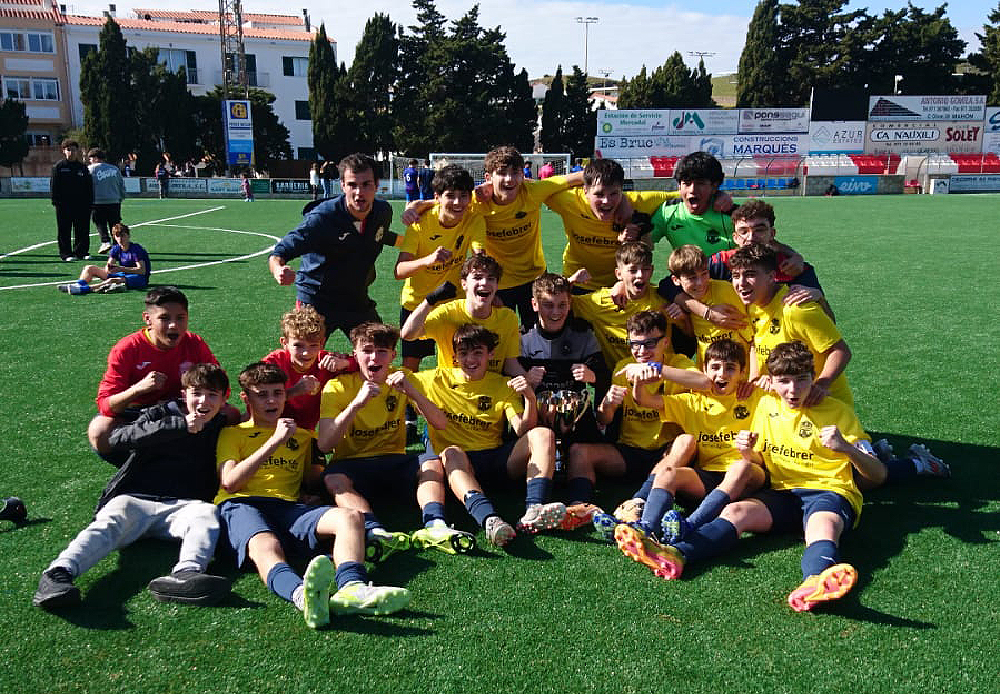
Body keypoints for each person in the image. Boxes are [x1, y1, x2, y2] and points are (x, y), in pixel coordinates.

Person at [612, 341, 881, 612]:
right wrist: (747, 452)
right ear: (771, 382)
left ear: (813, 377)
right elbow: (759, 459)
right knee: (736, 512)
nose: (793, 389)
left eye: (801, 380)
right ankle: (676, 553)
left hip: (828, 491)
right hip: (781, 492)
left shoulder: (838, 412)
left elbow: (877, 475)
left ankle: (815, 580)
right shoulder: (766, 406)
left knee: (822, 526)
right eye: (784, 381)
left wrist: (846, 448)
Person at [216, 362, 410, 628]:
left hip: (288, 507)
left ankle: (352, 588)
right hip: (242, 504)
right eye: (262, 395)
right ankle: (303, 597)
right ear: (246, 398)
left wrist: (315, 492)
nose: (272, 401)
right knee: (266, 545)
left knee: (351, 518)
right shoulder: (232, 433)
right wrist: (273, 442)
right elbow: (230, 482)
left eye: (277, 393)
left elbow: (313, 478)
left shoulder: (304, 437)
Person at [33, 363, 233, 611]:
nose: (204, 401)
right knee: (109, 523)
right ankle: (57, 575)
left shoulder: (223, 426)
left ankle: (186, 575)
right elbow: (117, 438)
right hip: (136, 498)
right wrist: (179, 425)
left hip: (183, 506)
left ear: (224, 400)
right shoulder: (161, 413)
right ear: (184, 394)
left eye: (212, 395)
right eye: (197, 393)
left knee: (206, 514)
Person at [595, 339, 764, 545]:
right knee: (667, 474)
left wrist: (768, 381)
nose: (721, 374)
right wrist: (639, 379)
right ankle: (646, 528)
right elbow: (646, 400)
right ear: (704, 369)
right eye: (715, 368)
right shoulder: (692, 401)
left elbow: (782, 390)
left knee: (740, 467)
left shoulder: (754, 396)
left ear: (742, 372)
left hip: (750, 474)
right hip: (709, 475)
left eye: (730, 368)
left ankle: (689, 525)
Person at [403, 145, 584, 331]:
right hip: (498, 284)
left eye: (515, 173)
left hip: (534, 277)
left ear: (523, 175)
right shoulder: (476, 201)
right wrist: (415, 206)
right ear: (489, 177)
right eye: (502, 173)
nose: (509, 179)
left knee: (541, 336)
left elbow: (579, 177)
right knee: (497, 341)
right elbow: (445, 201)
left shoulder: (534, 190)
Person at [413, 324, 566, 543]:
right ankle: (490, 520)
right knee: (451, 452)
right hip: (461, 465)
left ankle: (535, 509)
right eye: (463, 353)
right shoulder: (434, 379)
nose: (470, 359)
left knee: (542, 434)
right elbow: (388, 372)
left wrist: (530, 398)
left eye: (478, 353)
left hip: (496, 460)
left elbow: (522, 429)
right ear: (454, 357)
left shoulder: (502, 384)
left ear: (490, 354)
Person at [317, 322, 447, 561]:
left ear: (393, 355)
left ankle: (435, 525)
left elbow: (440, 423)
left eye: (381, 352)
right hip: (353, 465)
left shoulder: (402, 378)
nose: (373, 358)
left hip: (393, 460)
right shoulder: (337, 386)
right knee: (333, 478)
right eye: (366, 351)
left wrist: (413, 393)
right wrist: (356, 404)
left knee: (431, 462)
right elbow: (325, 445)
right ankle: (374, 530)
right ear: (354, 354)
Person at [568, 311, 710, 526]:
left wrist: (657, 369)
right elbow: (604, 419)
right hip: (631, 451)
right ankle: (580, 507)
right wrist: (608, 404)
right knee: (580, 452)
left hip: (667, 453)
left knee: (686, 441)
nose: (642, 351)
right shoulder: (623, 368)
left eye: (650, 344)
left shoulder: (677, 364)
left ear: (666, 342)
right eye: (635, 344)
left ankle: (639, 501)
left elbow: (704, 382)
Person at [269, 153, 400, 342]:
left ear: (377, 185)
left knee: (380, 346)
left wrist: (414, 240)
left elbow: (378, 236)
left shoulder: (383, 212)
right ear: (342, 186)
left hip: (356, 298)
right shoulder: (322, 218)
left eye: (366, 184)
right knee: (305, 353)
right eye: (352, 185)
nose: (359, 192)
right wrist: (278, 270)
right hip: (316, 299)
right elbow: (280, 251)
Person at [87, 286, 223, 459]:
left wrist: (193, 405)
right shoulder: (127, 348)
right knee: (100, 431)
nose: (174, 325)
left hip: (180, 410)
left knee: (231, 415)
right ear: (148, 319)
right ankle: (138, 469)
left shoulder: (194, 343)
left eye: (180, 318)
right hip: (137, 415)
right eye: (164, 318)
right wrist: (138, 389)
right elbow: (105, 405)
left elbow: (220, 383)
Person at [518, 273, 609, 527]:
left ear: (570, 304)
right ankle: (537, 502)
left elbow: (604, 377)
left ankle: (578, 505)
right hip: (538, 416)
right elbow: (507, 380)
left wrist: (591, 375)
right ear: (535, 304)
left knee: (581, 451)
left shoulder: (583, 334)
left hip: (576, 415)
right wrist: (526, 378)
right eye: (548, 305)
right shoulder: (523, 337)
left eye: (561, 305)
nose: (555, 312)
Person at [729, 244, 852, 407]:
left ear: (772, 276)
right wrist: (755, 379)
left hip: (822, 405)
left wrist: (821, 385)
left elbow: (841, 351)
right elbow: (755, 344)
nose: (741, 283)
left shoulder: (796, 309)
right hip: (784, 406)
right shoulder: (751, 304)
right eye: (736, 276)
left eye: (750, 275)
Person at [395, 164, 485, 376]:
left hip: (454, 303)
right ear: (437, 197)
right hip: (417, 303)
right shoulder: (420, 223)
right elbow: (399, 270)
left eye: (464, 196)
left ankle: (450, 406)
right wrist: (428, 260)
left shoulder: (474, 218)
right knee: (411, 367)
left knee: (456, 361)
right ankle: (408, 409)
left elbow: (479, 255)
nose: (457, 202)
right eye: (450, 196)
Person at [545, 158, 673, 292]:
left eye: (614, 194)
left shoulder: (639, 202)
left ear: (622, 190)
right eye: (599, 194)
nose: (606, 201)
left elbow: (684, 195)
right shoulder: (570, 201)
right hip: (578, 281)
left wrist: (631, 215)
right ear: (585, 191)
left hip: (621, 285)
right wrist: (582, 175)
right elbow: (537, 187)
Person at [401, 254, 524, 378]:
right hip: (451, 389)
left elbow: (510, 365)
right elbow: (408, 334)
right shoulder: (447, 314)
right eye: (477, 277)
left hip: (489, 391)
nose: (485, 282)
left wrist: (530, 381)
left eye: (491, 278)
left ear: (497, 286)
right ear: (464, 284)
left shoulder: (508, 319)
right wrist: (429, 300)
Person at [571, 241, 673, 371]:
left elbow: (688, 329)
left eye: (645, 269)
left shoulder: (662, 300)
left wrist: (681, 315)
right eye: (633, 270)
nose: (640, 275)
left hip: (661, 377)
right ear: (618, 274)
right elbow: (560, 304)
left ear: (652, 270)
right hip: (619, 381)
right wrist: (570, 281)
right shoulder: (600, 302)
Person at [260, 305, 356, 431]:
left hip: (306, 434)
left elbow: (367, 367)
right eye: (298, 346)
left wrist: (345, 363)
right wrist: (293, 392)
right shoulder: (272, 363)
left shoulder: (326, 361)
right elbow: (254, 401)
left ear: (322, 343)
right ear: (284, 343)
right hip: (270, 430)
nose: (306, 353)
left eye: (313, 345)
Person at [662, 244, 752, 367]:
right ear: (676, 280)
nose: (700, 283)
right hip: (706, 367)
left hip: (737, 367)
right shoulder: (680, 301)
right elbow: (692, 335)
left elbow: (750, 335)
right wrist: (684, 319)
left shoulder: (726, 290)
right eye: (692, 278)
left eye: (704, 274)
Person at [648, 151, 736, 257]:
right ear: (679, 186)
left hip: (723, 273)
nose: (692, 190)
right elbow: (644, 243)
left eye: (700, 183)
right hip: (685, 273)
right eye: (687, 183)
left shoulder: (730, 212)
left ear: (714, 186)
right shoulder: (667, 211)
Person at [58, 223, 150, 295]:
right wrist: (109, 269)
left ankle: (84, 289)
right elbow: (109, 267)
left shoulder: (135, 249)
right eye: (118, 236)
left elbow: (142, 271)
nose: (121, 238)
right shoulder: (116, 248)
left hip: (139, 278)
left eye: (123, 235)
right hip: (123, 274)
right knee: (89, 268)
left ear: (128, 236)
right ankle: (78, 285)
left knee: (111, 281)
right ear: (114, 237)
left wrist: (120, 268)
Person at [50, 139, 93, 261]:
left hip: (82, 204)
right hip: (63, 205)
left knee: (82, 228)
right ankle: (66, 254)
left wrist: (90, 203)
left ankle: (81, 252)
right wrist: (56, 202)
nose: (71, 152)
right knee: (64, 229)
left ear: (77, 151)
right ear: (64, 151)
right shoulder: (58, 167)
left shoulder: (83, 168)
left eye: (74, 149)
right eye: (69, 150)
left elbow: (88, 187)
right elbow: (54, 186)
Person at [87, 147, 125, 255]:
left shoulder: (91, 169)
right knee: (115, 223)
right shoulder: (114, 169)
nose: (89, 161)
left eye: (90, 158)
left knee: (100, 223)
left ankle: (105, 241)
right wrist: (121, 197)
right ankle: (117, 244)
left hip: (97, 201)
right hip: (114, 200)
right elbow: (120, 184)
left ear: (95, 158)